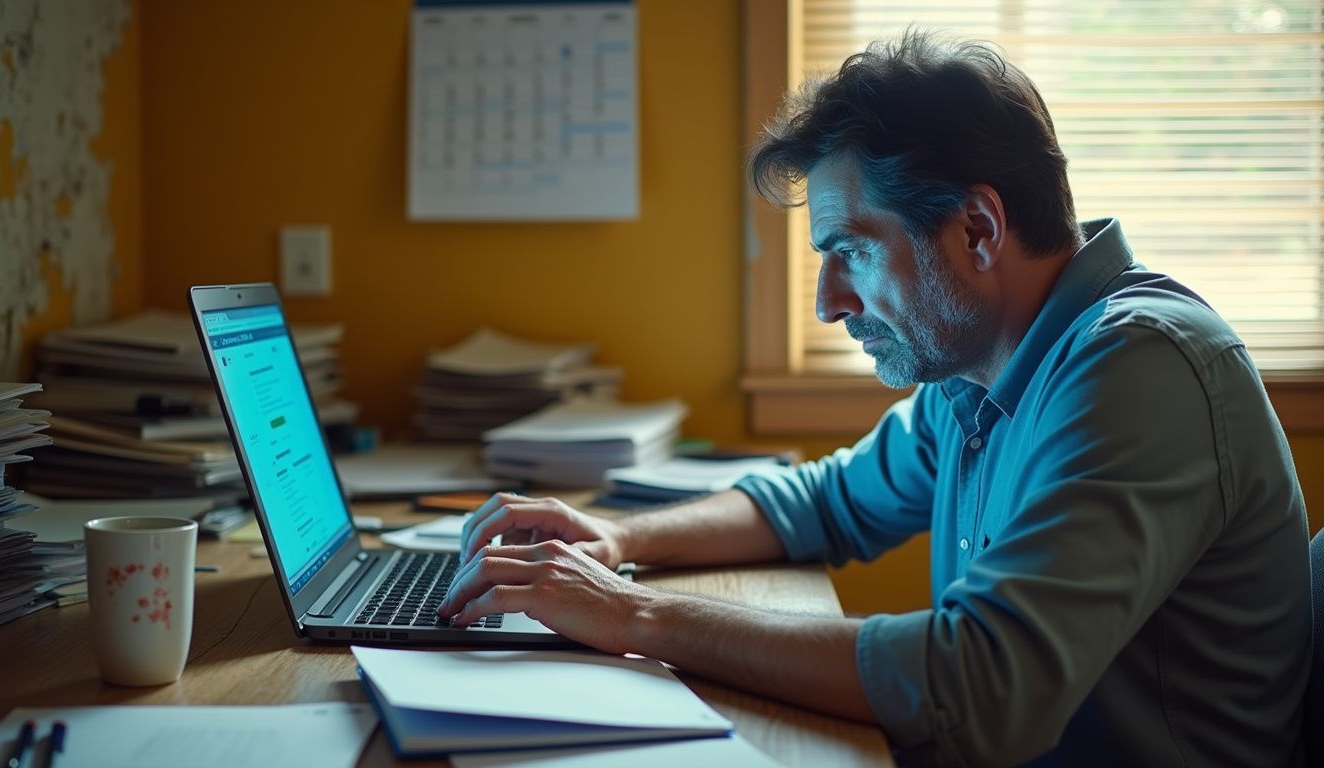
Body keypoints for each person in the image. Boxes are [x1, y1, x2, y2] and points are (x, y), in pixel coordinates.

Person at [436, 30, 1311, 766]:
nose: (828, 301)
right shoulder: (983, 367)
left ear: (978, 229)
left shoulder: (1138, 368)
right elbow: (827, 501)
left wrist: (630, 612)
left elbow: (980, 685)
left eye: (850, 250)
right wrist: (616, 537)